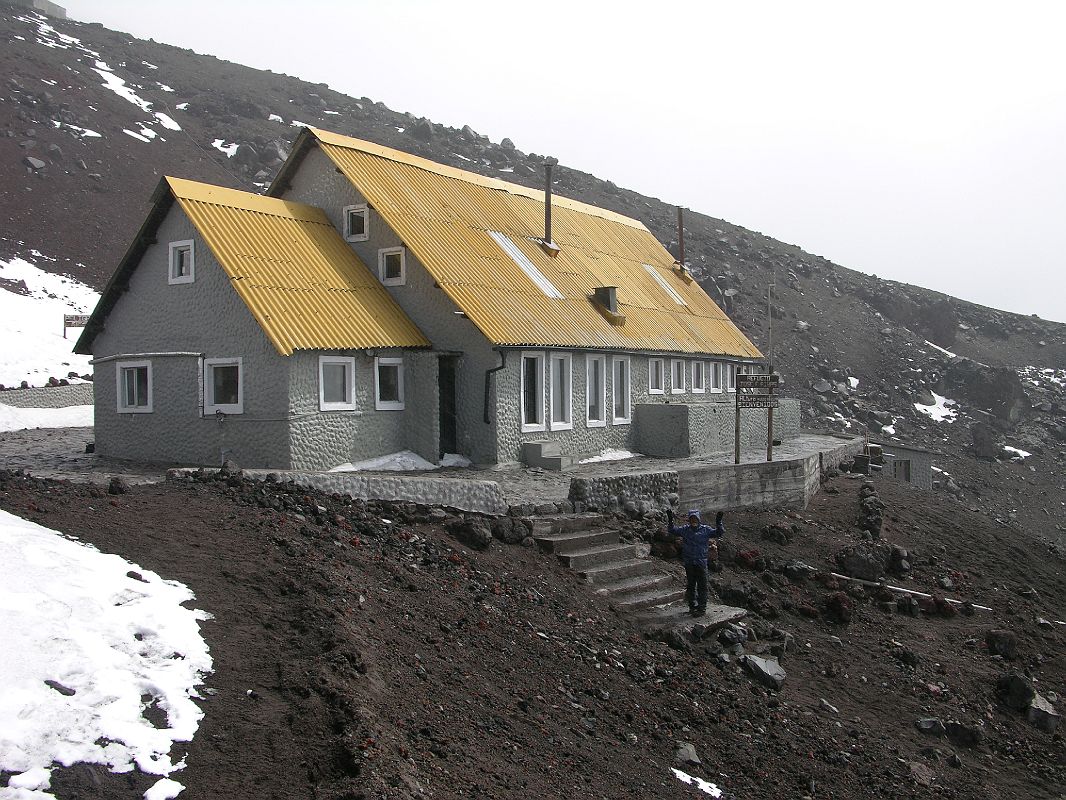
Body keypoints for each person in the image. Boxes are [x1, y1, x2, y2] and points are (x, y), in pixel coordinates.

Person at [666, 508, 725, 616]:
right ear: (689, 520)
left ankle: (701, 608)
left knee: (702, 586)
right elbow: (672, 530)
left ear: (698, 519)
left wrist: (718, 522)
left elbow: (719, 533)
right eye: (691, 519)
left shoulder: (705, 530)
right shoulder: (685, 530)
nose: (693, 521)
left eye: (695, 518)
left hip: (701, 562)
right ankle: (692, 607)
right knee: (691, 585)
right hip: (689, 562)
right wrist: (670, 520)